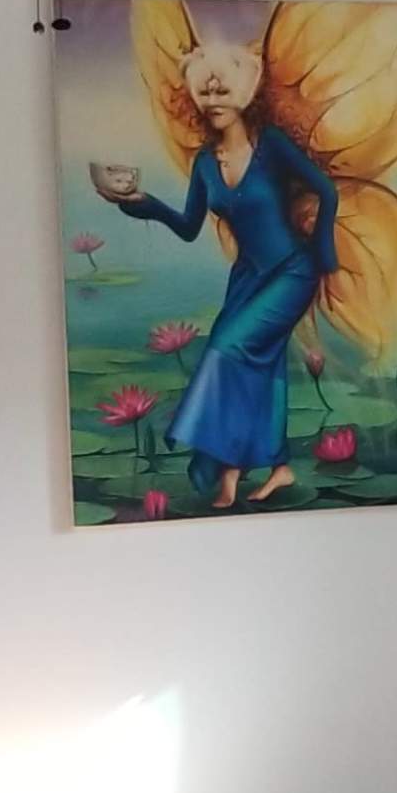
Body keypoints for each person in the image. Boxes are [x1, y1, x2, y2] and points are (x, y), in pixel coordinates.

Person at [91, 34, 339, 508]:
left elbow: (326, 193)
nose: (214, 102)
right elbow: (187, 227)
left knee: (228, 350)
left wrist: (324, 254)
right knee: (260, 366)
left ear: (244, 94)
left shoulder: (273, 147)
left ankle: (231, 460)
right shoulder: (205, 164)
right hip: (247, 278)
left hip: (292, 270)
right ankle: (263, 468)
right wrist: (139, 204)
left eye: (223, 92)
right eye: (206, 95)